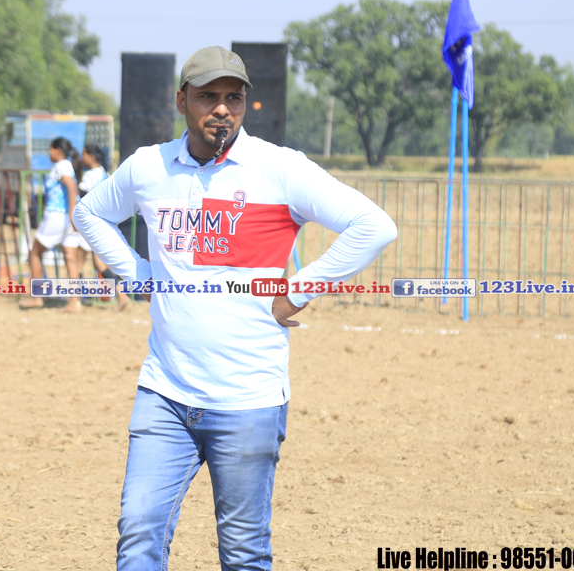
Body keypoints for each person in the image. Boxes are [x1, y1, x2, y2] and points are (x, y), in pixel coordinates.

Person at [73, 46, 397, 570]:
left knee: (244, 554)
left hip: (249, 400)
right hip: (164, 394)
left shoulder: (281, 168)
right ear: (182, 101)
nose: (222, 108)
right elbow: (89, 213)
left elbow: (374, 226)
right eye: (208, 96)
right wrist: (138, 275)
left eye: (234, 97)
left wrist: (298, 291)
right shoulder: (148, 167)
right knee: (138, 533)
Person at [19, 137, 84, 312]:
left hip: (58, 216)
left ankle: (37, 298)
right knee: (70, 258)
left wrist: (71, 212)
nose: (48, 153)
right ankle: (74, 302)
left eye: (50, 150)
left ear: (58, 151)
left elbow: (71, 187)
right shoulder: (68, 166)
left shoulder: (61, 166)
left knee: (34, 253)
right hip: (69, 219)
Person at [70, 142, 131, 310]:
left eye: (84, 154)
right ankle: (121, 295)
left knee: (77, 261)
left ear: (91, 156)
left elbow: (81, 195)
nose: (82, 158)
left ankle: (77, 299)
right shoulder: (104, 173)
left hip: (89, 222)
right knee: (100, 264)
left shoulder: (90, 175)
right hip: (102, 222)